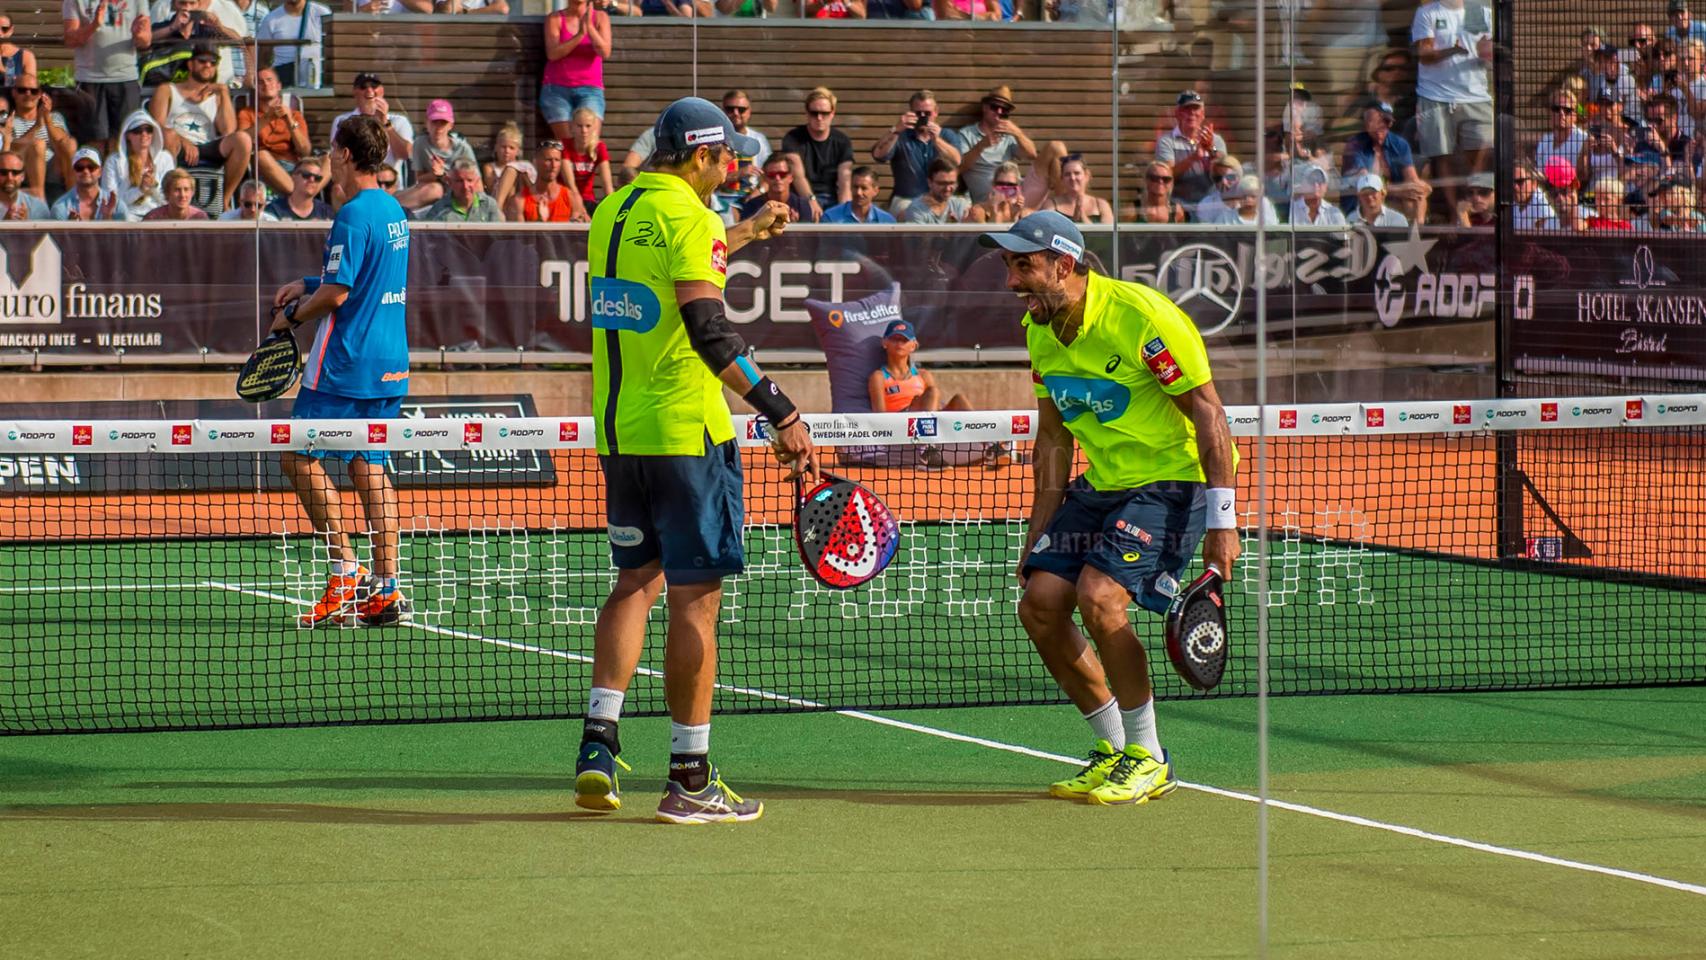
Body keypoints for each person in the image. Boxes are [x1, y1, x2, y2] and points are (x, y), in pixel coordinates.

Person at [576, 96, 813, 825]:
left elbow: (666, 277)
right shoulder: (693, 218)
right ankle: (689, 776)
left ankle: (597, 744)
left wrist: (739, 233)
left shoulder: (612, 211)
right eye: (727, 157)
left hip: (620, 436)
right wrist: (781, 409)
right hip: (686, 436)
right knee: (695, 604)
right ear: (704, 156)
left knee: (632, 584)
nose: (732, 168)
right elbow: (710, 332)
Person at [982, 210, 1238, 807]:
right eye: (1008, 265)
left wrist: (1223, 523)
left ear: (1063, 264)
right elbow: (1053, 439)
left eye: (1023, 265)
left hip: (1171, 483)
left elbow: (1208, 411)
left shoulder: (1142, 319)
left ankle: (1149, 758)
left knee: (1100, 597)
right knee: (1040, 606)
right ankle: (1114, 747)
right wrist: (1037, 532)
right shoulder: (1039, 329)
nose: (1012, 281)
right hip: (1101, 485)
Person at [267, 115, 412, 631]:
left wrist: (293, 315)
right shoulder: (393, 209)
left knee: (296, 456)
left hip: (345, 364)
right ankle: (387, 587)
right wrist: (306, 280)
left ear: (347, 156)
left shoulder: (351, 214)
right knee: (368, 467)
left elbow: (339, 293)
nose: (327, 156)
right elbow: (362, 274)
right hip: (391, 364)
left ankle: (344, 567)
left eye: (331, 148)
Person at [1411, 0, 1494, 216]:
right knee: (1442, 156)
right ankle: (1457, 214)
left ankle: (1482, 209)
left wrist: (1489, 53)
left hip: (1475, 96)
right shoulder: (1427, 13)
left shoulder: (1480, 12)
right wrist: (1453, 50)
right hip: (1434, 95)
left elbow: (1491, 51)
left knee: (1483, 155)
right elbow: (1424, 54)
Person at [148, 44, 252, 209]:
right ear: (190, 64)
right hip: (175, 146)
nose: (208, 65)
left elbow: (228, 131)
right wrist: (184, 141)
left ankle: (224, 199)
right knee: (168, 135)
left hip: (207, 146)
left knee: (243, 140)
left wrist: (224, 93)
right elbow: (156, 126)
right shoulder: (167, 90)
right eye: (202, 61)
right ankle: (169, 197)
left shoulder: (217, 96)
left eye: (213, 62)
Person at [62, 0, 151, 156]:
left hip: (126, 77)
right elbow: (70, 39)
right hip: (90, 79)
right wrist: (94, 24)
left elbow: (146, 40)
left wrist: (139, 35)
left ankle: (121, 179)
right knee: (94, 142)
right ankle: (96, 178)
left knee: (126, 140)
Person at [870, 88, 960, 217]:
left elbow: (957, 160)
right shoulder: (901, 136)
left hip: (942, 197)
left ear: (936, 112)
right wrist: (896, 130)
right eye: (918, 113)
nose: (923, 117)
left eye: (927, 113)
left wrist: (936, 140)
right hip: (906, 199)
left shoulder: (946, 135)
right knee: (909, 211)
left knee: (961, 209)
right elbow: (878, 155)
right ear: (911, 113)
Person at [948, 84, 1039, 203]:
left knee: (1054, 148)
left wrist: (1018, 133)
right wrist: (981, 146)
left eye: (1005, 109)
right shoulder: (967, 134)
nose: (999, 112)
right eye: (995, 107)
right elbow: (960, 167)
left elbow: (1032, 155)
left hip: (1011, 198)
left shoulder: (1010, 135)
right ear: (985, 107)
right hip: (984, 202)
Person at [541, 0, 611, 146]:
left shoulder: (600, 17)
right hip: (556, 89)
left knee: (588, 143)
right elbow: (553, 53)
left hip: (590, 89)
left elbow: (605, 52)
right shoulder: (554, 18)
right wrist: (580, 35)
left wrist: (590, 28)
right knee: (568, 145)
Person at [866, 319, 968, 414]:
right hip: (900, 422)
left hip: (926, 416)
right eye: (894, 339)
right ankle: (928, 430)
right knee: (932, 392)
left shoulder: (923, 375)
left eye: (904, 340)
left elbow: (936, 403)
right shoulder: (879, 377)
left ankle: (979, 431)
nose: (899, 343)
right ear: (885, 343)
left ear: (913, 346)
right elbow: (879, 415)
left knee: (959, 400)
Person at [781, 86, 854, 220]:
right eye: (814, 113)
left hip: (832, 197)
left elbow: (845, 182)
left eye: (824, 113)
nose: (819, 117)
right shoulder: (793, 138)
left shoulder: (842, 141)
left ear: (832, 113)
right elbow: (798, 176)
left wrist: (844, 211)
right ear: (807, 113)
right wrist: (811, 200)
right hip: (801, 197)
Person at [239, 67, 312, 195]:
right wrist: (266, 118)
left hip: (294, 166)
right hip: (266, 168)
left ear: (279, 86)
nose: (266, 84)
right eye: (260, 82)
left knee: (327, 160)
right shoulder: (246, 114)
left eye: (269, 80)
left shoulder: (295, 115)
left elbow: (305, 151)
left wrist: (289, 120)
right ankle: (300, 197)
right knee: (261, 155)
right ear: (255, 89)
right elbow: (241, 141)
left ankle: (300, 196)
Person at [396, 98, 476, 210]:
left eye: (443, 123)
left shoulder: (462, 148)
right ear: (427, 123)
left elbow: (475, 183)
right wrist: (435, 175)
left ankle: (389, 209)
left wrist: (442, 175)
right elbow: (419, 178)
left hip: (457, 196)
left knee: (435, 189)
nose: (438, 128)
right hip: (428, 197)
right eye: (434, 121)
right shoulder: (420, 143)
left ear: (450, 125)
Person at [1153, 90, 1226, 205]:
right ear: (1177, 113)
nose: (1191, 113)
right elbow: (1166, 176)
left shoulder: (1216, 140)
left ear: (1202, 114)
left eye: (1196, 109)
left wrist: (1212, 150)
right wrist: (1194, 158)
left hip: (1211, 206)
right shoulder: (1166, 141)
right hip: (1179, 207)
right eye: (1186, 109)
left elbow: (1225, 173)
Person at [8, 75, 76, 198]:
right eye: (22, 90)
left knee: (70, 143)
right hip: (25, 169)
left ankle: (74, 197)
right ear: (14, 93)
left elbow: (62, 143)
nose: (28, 94)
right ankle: (40, 197)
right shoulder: (9, 120)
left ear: (40, 95)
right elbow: (10, 150)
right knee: (37, 144)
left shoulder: (54, 116)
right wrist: (37, 125)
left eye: (33, 91)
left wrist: (46, 119)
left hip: (54, 169)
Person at [104, 110, 173, 219]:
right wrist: (139, 190)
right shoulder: (114, 161)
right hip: (126, 216)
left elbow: (169, 199)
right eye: (138, 131)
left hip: (157, 215)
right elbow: (112, 203)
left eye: (148, 130)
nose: (144, 134)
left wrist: (153, 186)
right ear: (127, 136)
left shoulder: (165, 158)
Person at [504, 139, 581, 222]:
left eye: (557, 160)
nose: (553, 165)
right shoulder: (519, 201)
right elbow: (519, 235)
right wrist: (540, 221)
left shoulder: (572, 198)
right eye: (548, 160)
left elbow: (575, 234)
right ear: (535, 162)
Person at [256, 0, 329, 88]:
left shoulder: (322, 13)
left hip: (317, 83)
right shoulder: (271, 19)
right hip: (285, 82)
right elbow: (263, 58)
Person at [52, 147, 128, 220]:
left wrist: (107, 218)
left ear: (100, 172)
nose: (85, 171)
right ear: (73, 173)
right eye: (79, 168)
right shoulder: (61, 208)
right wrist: (70, 229)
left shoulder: (117, 207)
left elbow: (123, 233)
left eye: (91, 167)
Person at [1037, 153, 1112, 224]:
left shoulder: (1101, 205)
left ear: (1087, 176)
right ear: (1062, 179)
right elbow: (1045, 232)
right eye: (1067, 174)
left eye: (1077, 173)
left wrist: (1082, 216)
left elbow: (1109, 235)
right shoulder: (1050, 205)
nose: (1072, 178)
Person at [563, 107, 613, 214]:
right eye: (579, 126)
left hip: (588, 199)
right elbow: (570, 183)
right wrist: (580, 209)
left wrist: (614, 208)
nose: (584, 130)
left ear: (594, 127)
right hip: (566, 197)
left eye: (588, 126)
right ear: (572, 126)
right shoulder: (565, 146)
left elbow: (607, 184)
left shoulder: (599, 147)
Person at [740, 153, 814, 223]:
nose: (777, 178)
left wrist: (795, 226)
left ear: (790, 177)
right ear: (765, 178)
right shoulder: (752, 206)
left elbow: (806, 235)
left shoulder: (801, 205)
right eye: (772, 175)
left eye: (782, 174)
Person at [422, 159, 502, 221]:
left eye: (470, 180)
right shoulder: (439, 209)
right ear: (449, 182)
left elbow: (498, 238)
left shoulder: (489, 205)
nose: (465, 186)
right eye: (459, 181)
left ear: (477, 182)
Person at [902, 158, 972, 223]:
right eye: (942, 183)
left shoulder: (959, 205)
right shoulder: (916, 210)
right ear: (930, 182)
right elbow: (919, 236)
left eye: (951, 183)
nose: (948, 188)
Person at [266, 155, 333, 220]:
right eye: (306, 175)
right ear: (293, 176)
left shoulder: (326, 213)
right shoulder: (273, 210)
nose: (312, 180)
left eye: (317, 178)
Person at [821, 165, 895, 223]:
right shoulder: (830, 217)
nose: (858, 192)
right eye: (855, 187)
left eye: (864, 188)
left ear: (875, 191)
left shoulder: (887, 221)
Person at [142, 166, 209, 219]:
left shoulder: (200, 218)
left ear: (192, 192)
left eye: (186, 189)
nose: (182, 195)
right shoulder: (152, 219)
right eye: (177, 190)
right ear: (166, 192)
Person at [0, 148, 49, 219]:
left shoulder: (37, 207)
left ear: (22, 176)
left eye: (15, 173)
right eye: (3, 172)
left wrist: (26, 225)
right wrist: (4, 224)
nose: (9, 177)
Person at [0, 15, 36, 90]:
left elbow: (30, 87)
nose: (0, 33)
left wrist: (2, 70)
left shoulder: (26, 56)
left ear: (11, 30)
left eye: (4, 29)